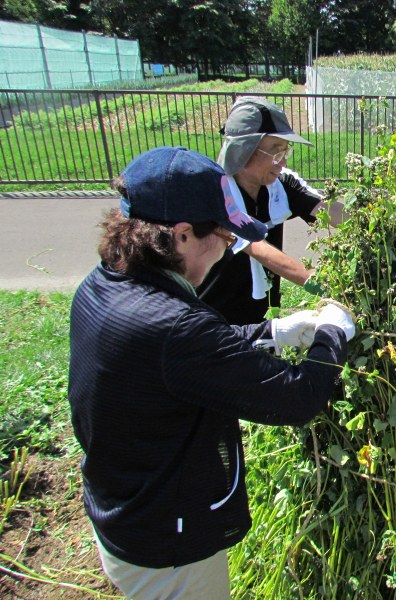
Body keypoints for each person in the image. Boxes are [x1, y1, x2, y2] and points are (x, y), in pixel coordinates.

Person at [68, 146, 355, 599]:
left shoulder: (105, 283)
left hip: (126, 512)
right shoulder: (174, 327)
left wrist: (274, 332)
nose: (226, 249)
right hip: (169, 548)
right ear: (181, 235)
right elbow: (298, 398)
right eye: (222, 235)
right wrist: (333, 333)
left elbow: (192, 360)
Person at [197, 96, 345, 324]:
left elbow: (330, 211)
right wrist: (326, 285)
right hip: (216, 318)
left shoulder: (281, 185)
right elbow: (255, 246)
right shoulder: (215, 191)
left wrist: (376, 223)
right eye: (275, 152)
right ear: (243, 150)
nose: (282, 162)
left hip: (264, 315)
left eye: (286, 152)